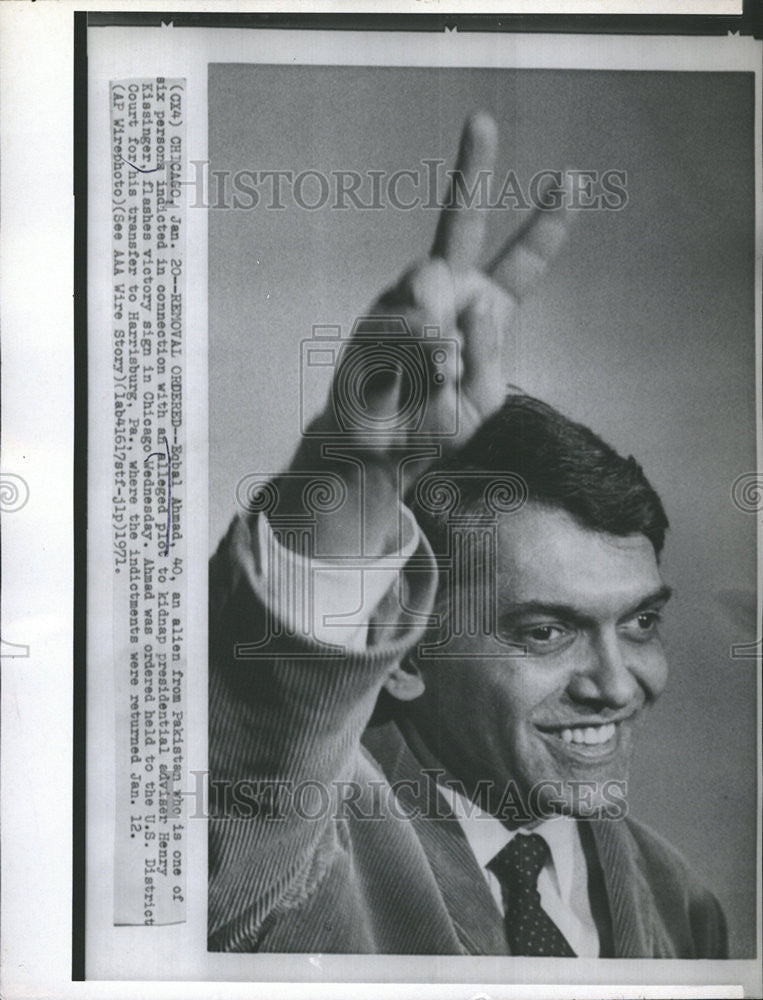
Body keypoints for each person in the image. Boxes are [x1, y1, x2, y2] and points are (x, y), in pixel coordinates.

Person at [207, 113, 728, 956]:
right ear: (407, 655)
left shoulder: (684, 907)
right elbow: (255, 772)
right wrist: (354, 476)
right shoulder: (298, 843)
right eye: (545, 630)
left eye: (638, 622)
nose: (616, 684)